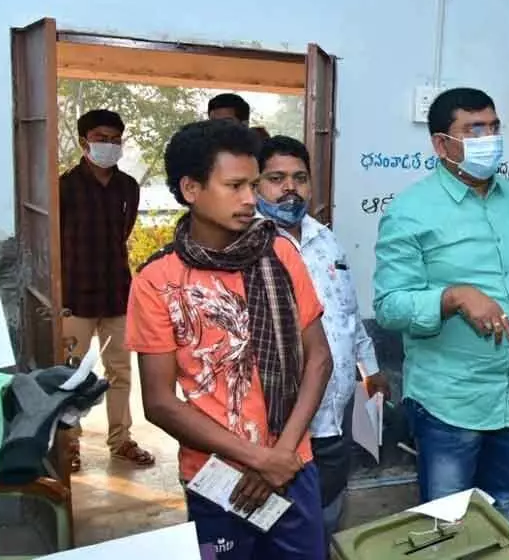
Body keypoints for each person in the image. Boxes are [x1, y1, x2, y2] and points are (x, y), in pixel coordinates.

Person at [125, 120, 332, 559]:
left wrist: (279, 455)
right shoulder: (156, 280)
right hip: (215, 478)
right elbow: (159, 402)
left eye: (253, 184)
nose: (249, 199)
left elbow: (319, 360)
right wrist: (257, 459)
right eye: (234, 185)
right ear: (191, 188)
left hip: (294, 462)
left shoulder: (280, 254)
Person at [372, 87, 509, 524]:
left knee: (502, 512)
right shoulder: (410, 210)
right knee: (449, 524)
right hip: (450, 403)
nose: (489, 138)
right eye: (474, 129)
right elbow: (389, 306)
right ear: (442, 144)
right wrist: (453, 296)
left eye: (494, 127)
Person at [253, 134, 392, 543]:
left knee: (327, 507)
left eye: (299, 177)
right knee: (274, 520)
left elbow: (347, 314)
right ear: (256, 184)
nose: (289, 188)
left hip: (335, 412)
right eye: (276, 178)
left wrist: (373, 368)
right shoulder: (248, 247)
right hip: (278, 423)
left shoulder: (326, 240)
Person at [59, 109, 153, 472]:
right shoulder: (64, 185)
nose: (109, 145)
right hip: (75, 295)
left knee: (120, 372)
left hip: (116, 293)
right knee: (72, 374)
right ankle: (69, 444)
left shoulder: (128, 186)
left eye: (115, 139)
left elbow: (123, 232)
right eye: (101, 138)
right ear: (85, 142)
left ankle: (121, 440)